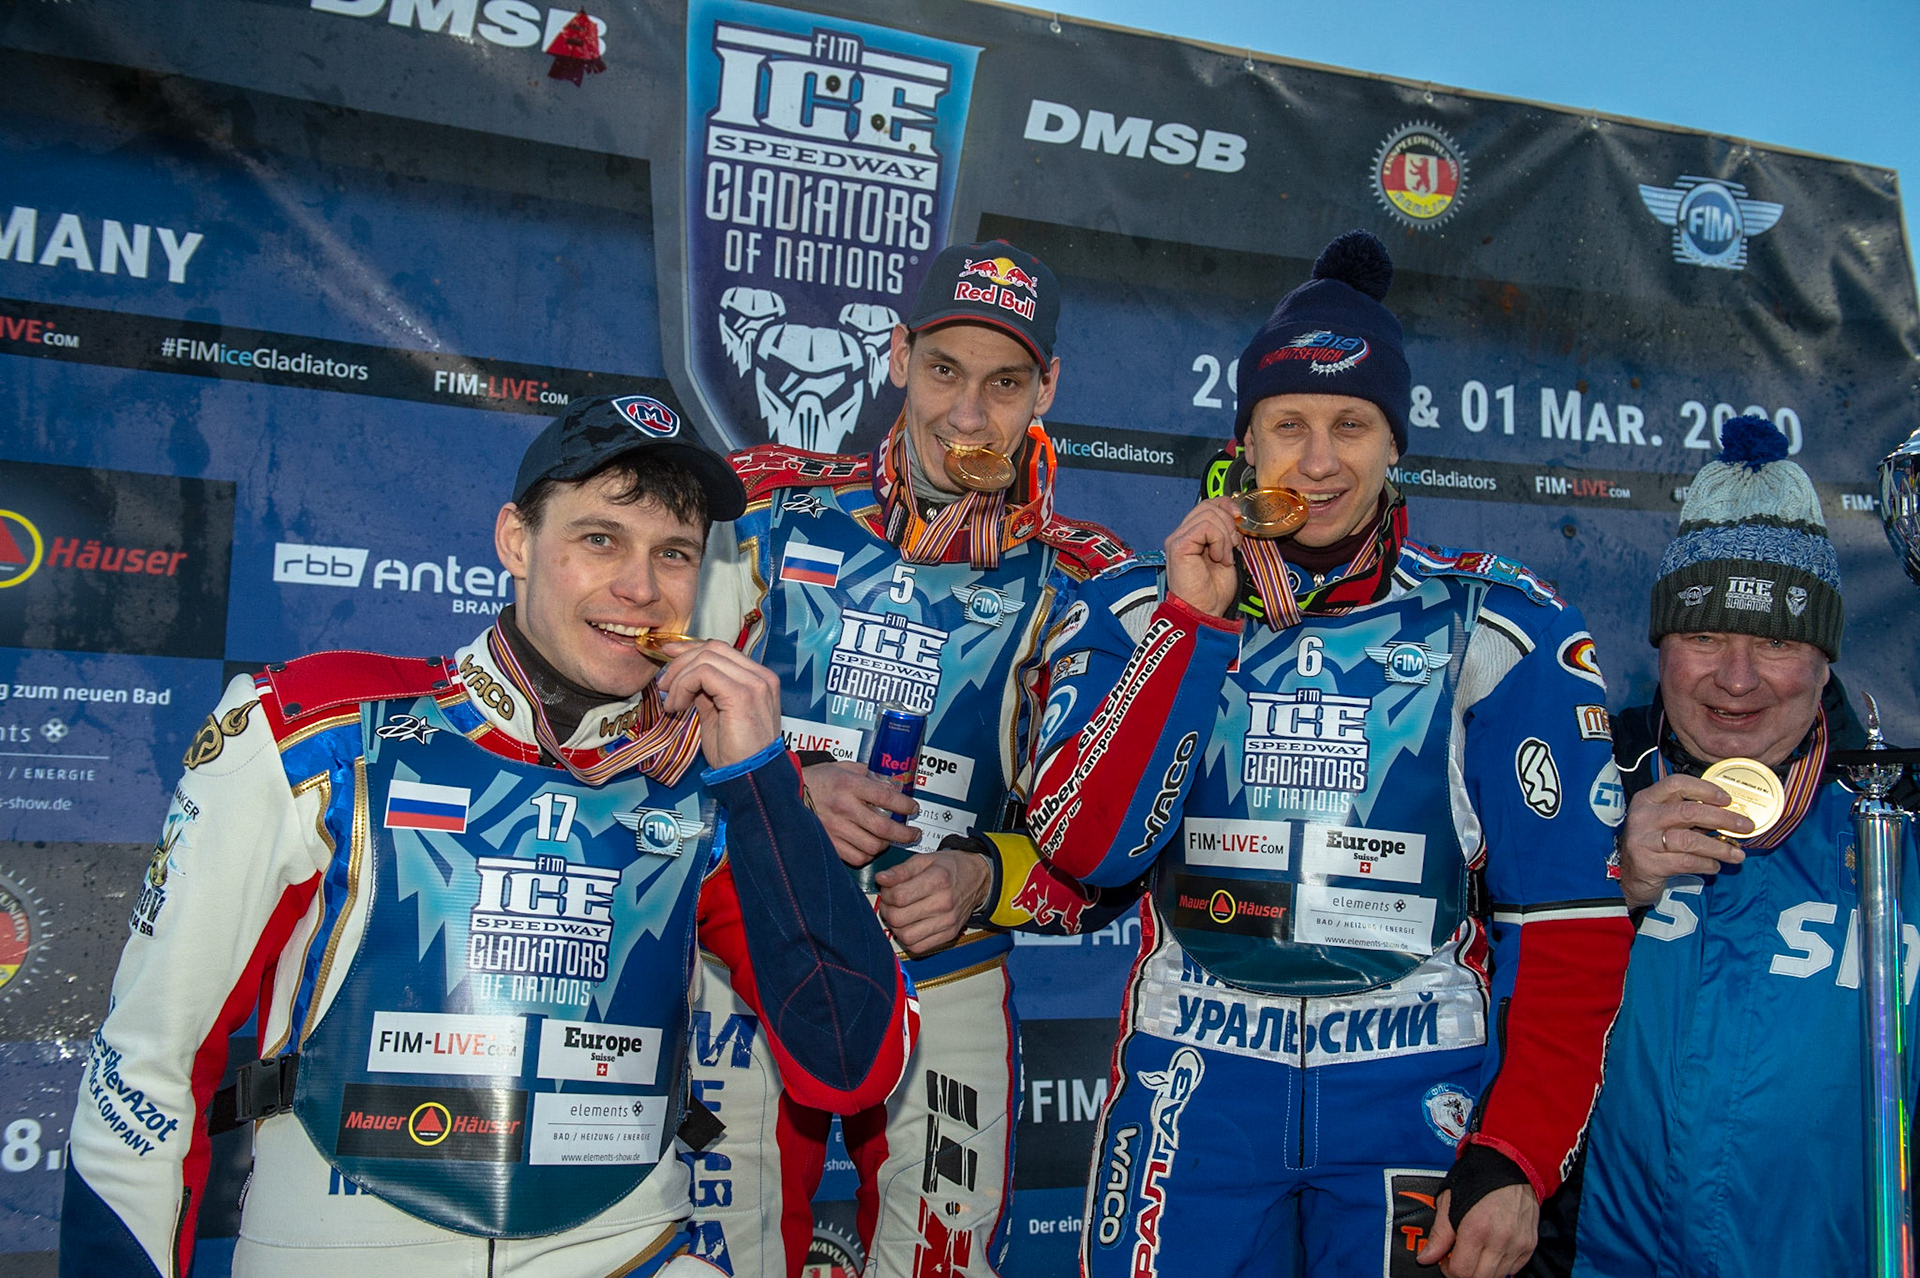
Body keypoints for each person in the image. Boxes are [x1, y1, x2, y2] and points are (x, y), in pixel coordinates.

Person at [57, 395, 916, 1278]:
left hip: (630, 1251)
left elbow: (850, 1064)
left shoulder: (701, 778)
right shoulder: (317, 728)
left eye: (674, 554)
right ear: (515, 539)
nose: (641, 586)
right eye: (599, 540)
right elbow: (148, 1064)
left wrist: (764, 776)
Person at [1022, 230, 1634, 1278]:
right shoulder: (1139, 605)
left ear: (1396, 444)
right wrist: (1191, 629)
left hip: (1414, 1097)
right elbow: (1087, 851)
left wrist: (1520, 1150)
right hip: (1195, 1082)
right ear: (1242, 442)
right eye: (1288, 425)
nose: (1317, 462)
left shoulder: (1495, 628)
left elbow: (1571, 920)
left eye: (1351, 425)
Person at [686, 240, 1135, 1278]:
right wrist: (785, 795)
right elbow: (638, 722)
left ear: (1047, 390)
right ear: (896, 356)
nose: (968, 417)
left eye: (1004, 383)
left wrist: (988, 875)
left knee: (942, 1264)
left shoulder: (1086, 582)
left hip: (950, 959)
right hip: (748, 946)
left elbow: (1111, 841)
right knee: (723, 1259)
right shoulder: (761, 509)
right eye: (944, 371)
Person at [1528, 417, 1920, 1276]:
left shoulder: (1897, 820)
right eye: (1705, 636)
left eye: (1777, 642)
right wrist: (1602, 885)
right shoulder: (1574, 785)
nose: (1736, 679)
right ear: (1661, 644)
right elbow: (1467, 1002)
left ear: (1825, 661)